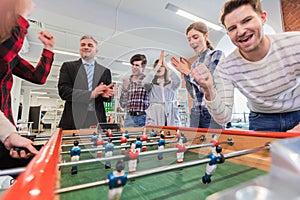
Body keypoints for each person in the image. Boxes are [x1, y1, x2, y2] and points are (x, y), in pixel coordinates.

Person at [191, 0, 300, 132]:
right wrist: (208, 89)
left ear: (262, 18)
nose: (241, 31)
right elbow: (223, 118)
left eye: (247, 20)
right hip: (261, 119)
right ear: (228, 34)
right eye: (232, 28)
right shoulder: (226, 67)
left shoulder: (295, 44)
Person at [0, 0, 55, 169]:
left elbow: (38, 77)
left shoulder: (12, 57)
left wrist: (48, 49)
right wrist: (19, 14)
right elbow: (4, 54)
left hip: (4, 128)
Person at [171, 22, 225, 129]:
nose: (192, 42)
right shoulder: (195, 64)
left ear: (205, 36)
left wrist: (187, 72)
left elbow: (210, 86)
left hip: (211, 113)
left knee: (213, 145)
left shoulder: (216, 55)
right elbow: (193, 93)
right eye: (189, 39)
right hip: (195, 113)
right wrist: (186, 76)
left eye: (195, 37)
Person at [58, 35, 114, 130]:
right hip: (73, 119)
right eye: (83, 45)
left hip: (96, 119)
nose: (86, 47)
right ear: (80, 49)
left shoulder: (105, 71)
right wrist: (91, 94)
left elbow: (109, 96)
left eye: (90, 45)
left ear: (96, 51)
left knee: (97, 144)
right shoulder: (68, 67)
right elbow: (64, 92)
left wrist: (107, 96)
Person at [143, 50, 181, 126]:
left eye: (161, 66)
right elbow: (145, 82)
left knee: (171, 135)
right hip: (155, 115)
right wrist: (158, 65)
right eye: (157, 67)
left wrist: (166, 66)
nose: (159, 68)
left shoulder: (171, 85)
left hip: (170, 114)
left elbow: (178, 80)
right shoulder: (151, 86)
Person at [119, 54, 150, 127]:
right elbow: (123, 105)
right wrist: (124, 89)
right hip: (129, 117)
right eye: (132, 65)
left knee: (144, 138)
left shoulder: (148, 81)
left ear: (143, 67)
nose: (134, 67)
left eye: (137, 65)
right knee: (127, 138)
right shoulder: (127, 81)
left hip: (143, 117)